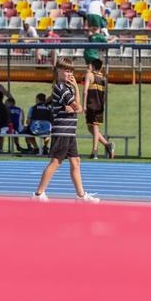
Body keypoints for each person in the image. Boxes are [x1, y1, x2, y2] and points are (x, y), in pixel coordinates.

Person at [33, 57, 99, 202]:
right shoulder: (60, 88)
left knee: (76, 162)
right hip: (62, 131)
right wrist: (76, 89)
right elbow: (79, 108)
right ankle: (38, 194)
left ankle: (81, 196)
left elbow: (78, 108)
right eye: (66, 70)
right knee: (56, 162)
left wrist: (75, 96)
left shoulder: (67, 87)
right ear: (58, 70)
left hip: (69, 132)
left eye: (71, 71)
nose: (69, 74)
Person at [83, 59, 115, 160]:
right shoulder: (103, 78)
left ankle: (95, 151)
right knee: (90, 128)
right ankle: (107, 145)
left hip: (92, 105)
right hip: (99, 105)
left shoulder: (89, 75)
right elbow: (105, 95)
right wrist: (102, 104)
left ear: (92, 66)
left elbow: (85, 91)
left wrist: (83, 105)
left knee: (95, 127)